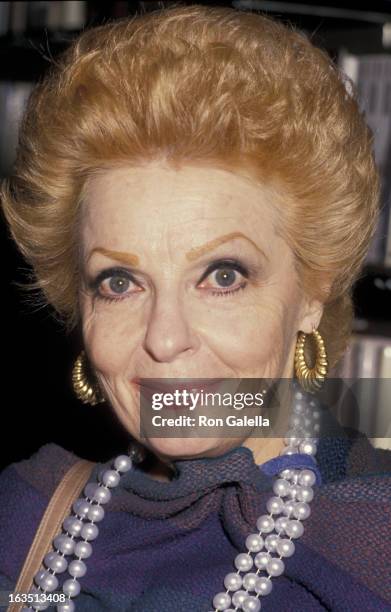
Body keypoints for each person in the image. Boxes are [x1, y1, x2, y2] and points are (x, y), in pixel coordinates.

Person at [0, 4, 390, 612]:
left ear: (313, 290)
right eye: (119, 283)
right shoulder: (23, 516)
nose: (164, 337)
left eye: (222, 275)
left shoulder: (373, 544)